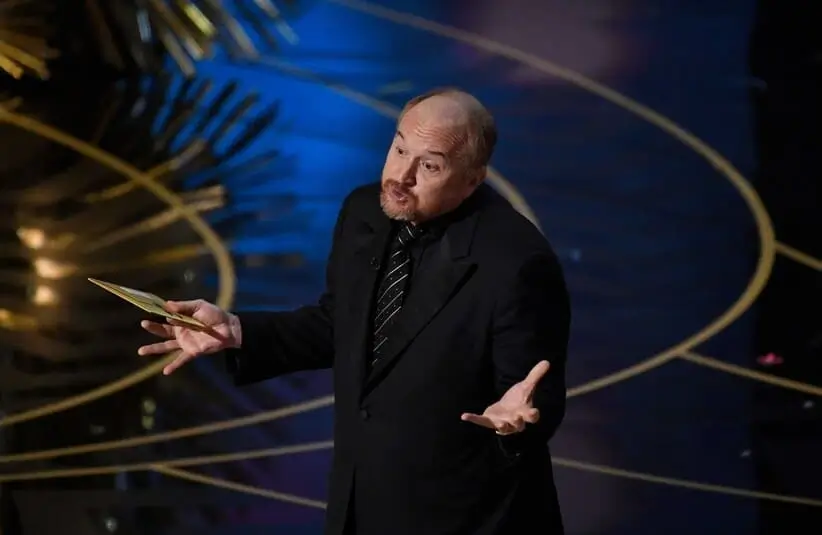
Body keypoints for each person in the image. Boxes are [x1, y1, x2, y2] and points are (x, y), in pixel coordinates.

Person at [138, 88, 571, 535]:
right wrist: (238, 330)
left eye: (429, 165)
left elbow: (532, 396)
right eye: (399, 148)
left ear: (472, 180)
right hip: (363, 506)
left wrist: (514, 426)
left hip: (466, 517)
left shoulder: (516, 263)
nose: (401, 175)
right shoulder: (365, 212)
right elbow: (341, 325)